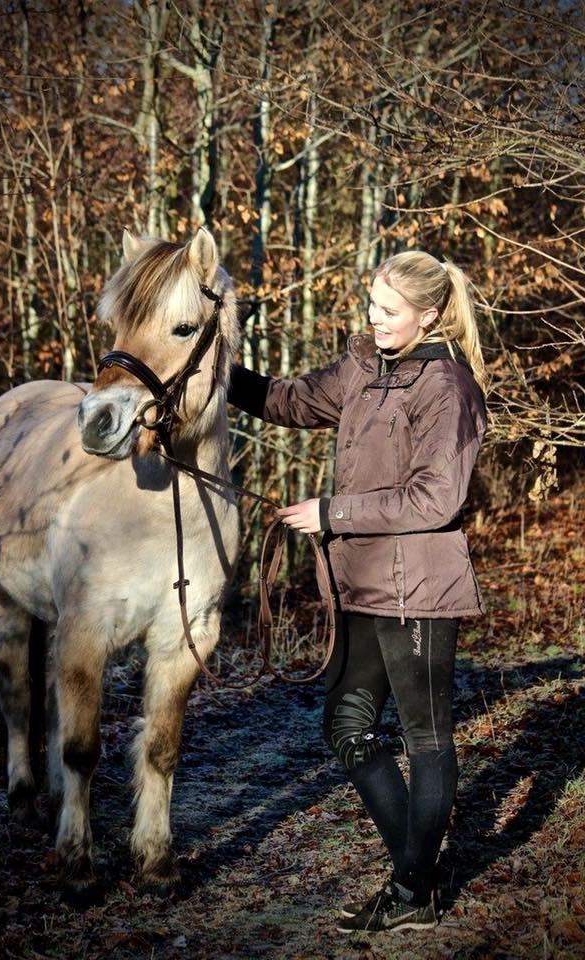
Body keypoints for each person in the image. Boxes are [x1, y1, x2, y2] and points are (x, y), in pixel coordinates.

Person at [227, 251, 488, 934]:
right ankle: (419, 876)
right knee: (345, 726)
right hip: (364, 586)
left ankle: (409, 892)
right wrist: (213, 374)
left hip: (420, 589)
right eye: (371, 306)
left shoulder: (447, 386)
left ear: (429, 314)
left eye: (389, 311)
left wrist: (331, 512)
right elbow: (288, 399)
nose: (374, 320)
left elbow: (436, 497)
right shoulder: (363, 368)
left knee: (426, 740)